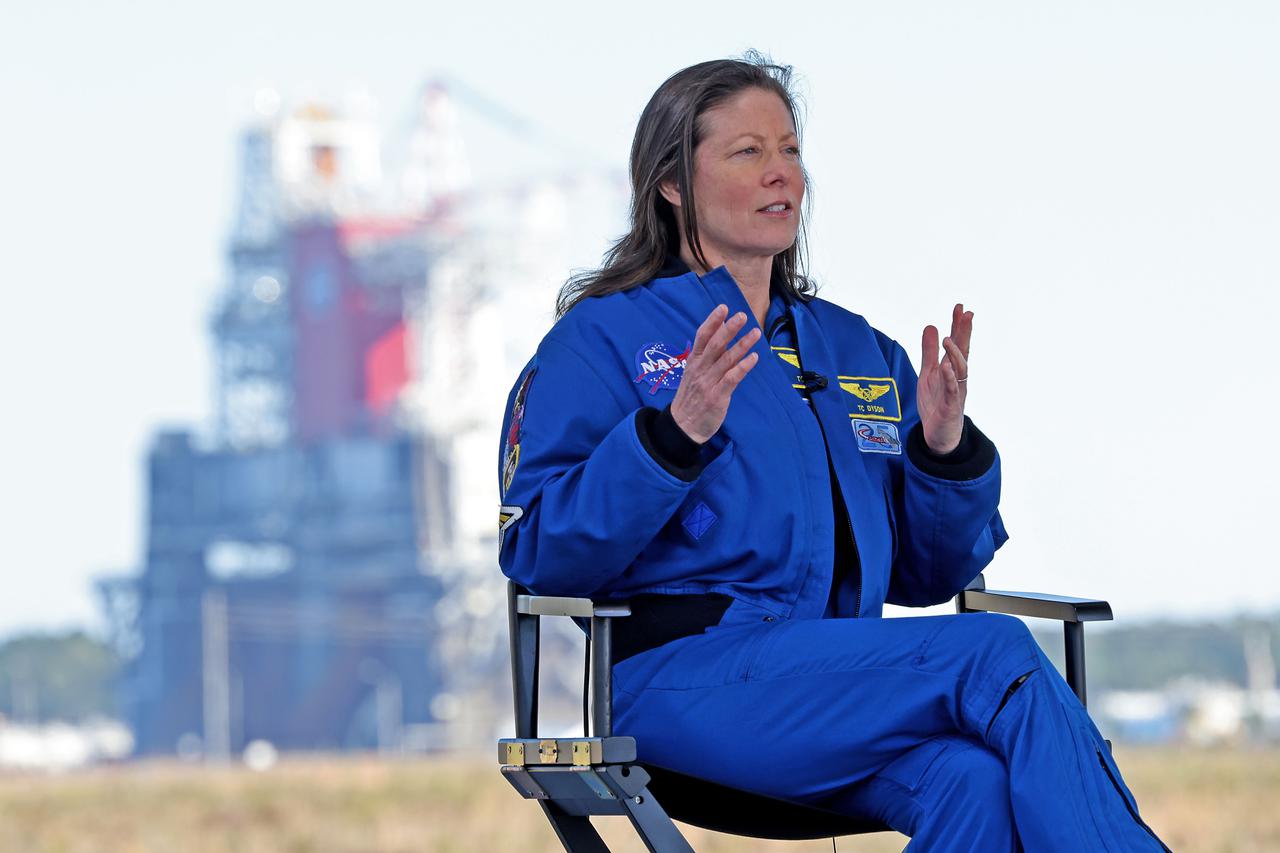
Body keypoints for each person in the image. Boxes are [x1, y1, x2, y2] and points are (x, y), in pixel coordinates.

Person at [497, 54, 1169, 852]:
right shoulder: (601, 341)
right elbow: (539, 549)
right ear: (672, 183)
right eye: (748, 152)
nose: (781, 173)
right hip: (680, 679)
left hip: (835, 681)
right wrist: (670, 438)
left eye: (790, 150)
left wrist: (943, 454)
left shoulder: (856, 350)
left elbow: (927, 577)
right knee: (994, 650)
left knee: (973, 782)